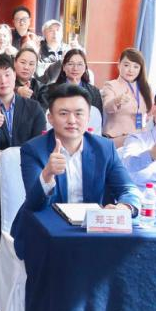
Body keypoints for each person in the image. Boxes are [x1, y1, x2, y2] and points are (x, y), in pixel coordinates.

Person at [14, 83, 142, 217]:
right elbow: (34, 205)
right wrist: (47, 174)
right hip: (47, 225)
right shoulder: (33, 149)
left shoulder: (104, 148)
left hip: (91, 225)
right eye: (63, 113)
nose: (71, 120)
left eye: (78, 113)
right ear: (50, 118)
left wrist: (124, 207)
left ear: (88, 118)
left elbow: (128, 189)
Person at [0, 55, 46, 152]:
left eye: (7, 75)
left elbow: (40, 144)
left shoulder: (34, 108)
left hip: (27, 160)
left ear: (14, 75)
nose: (3, 81)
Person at [100, 48, 154, 146]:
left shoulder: (146, 88)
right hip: (116, 138)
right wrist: (117, 101)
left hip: (138, 138)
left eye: (136, 66)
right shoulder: (111, 85)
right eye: (126, 65)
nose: (131, 70)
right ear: (119, 65)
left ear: (140, 69)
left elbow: (151, 111)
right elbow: (107, 108)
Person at [47, 48, 103, 116]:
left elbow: (97, 117)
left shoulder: (94, 92)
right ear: (64, 67)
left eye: (79, 64)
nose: (75, 68)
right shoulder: (50, 90)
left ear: (85, 68)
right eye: (70, 64)